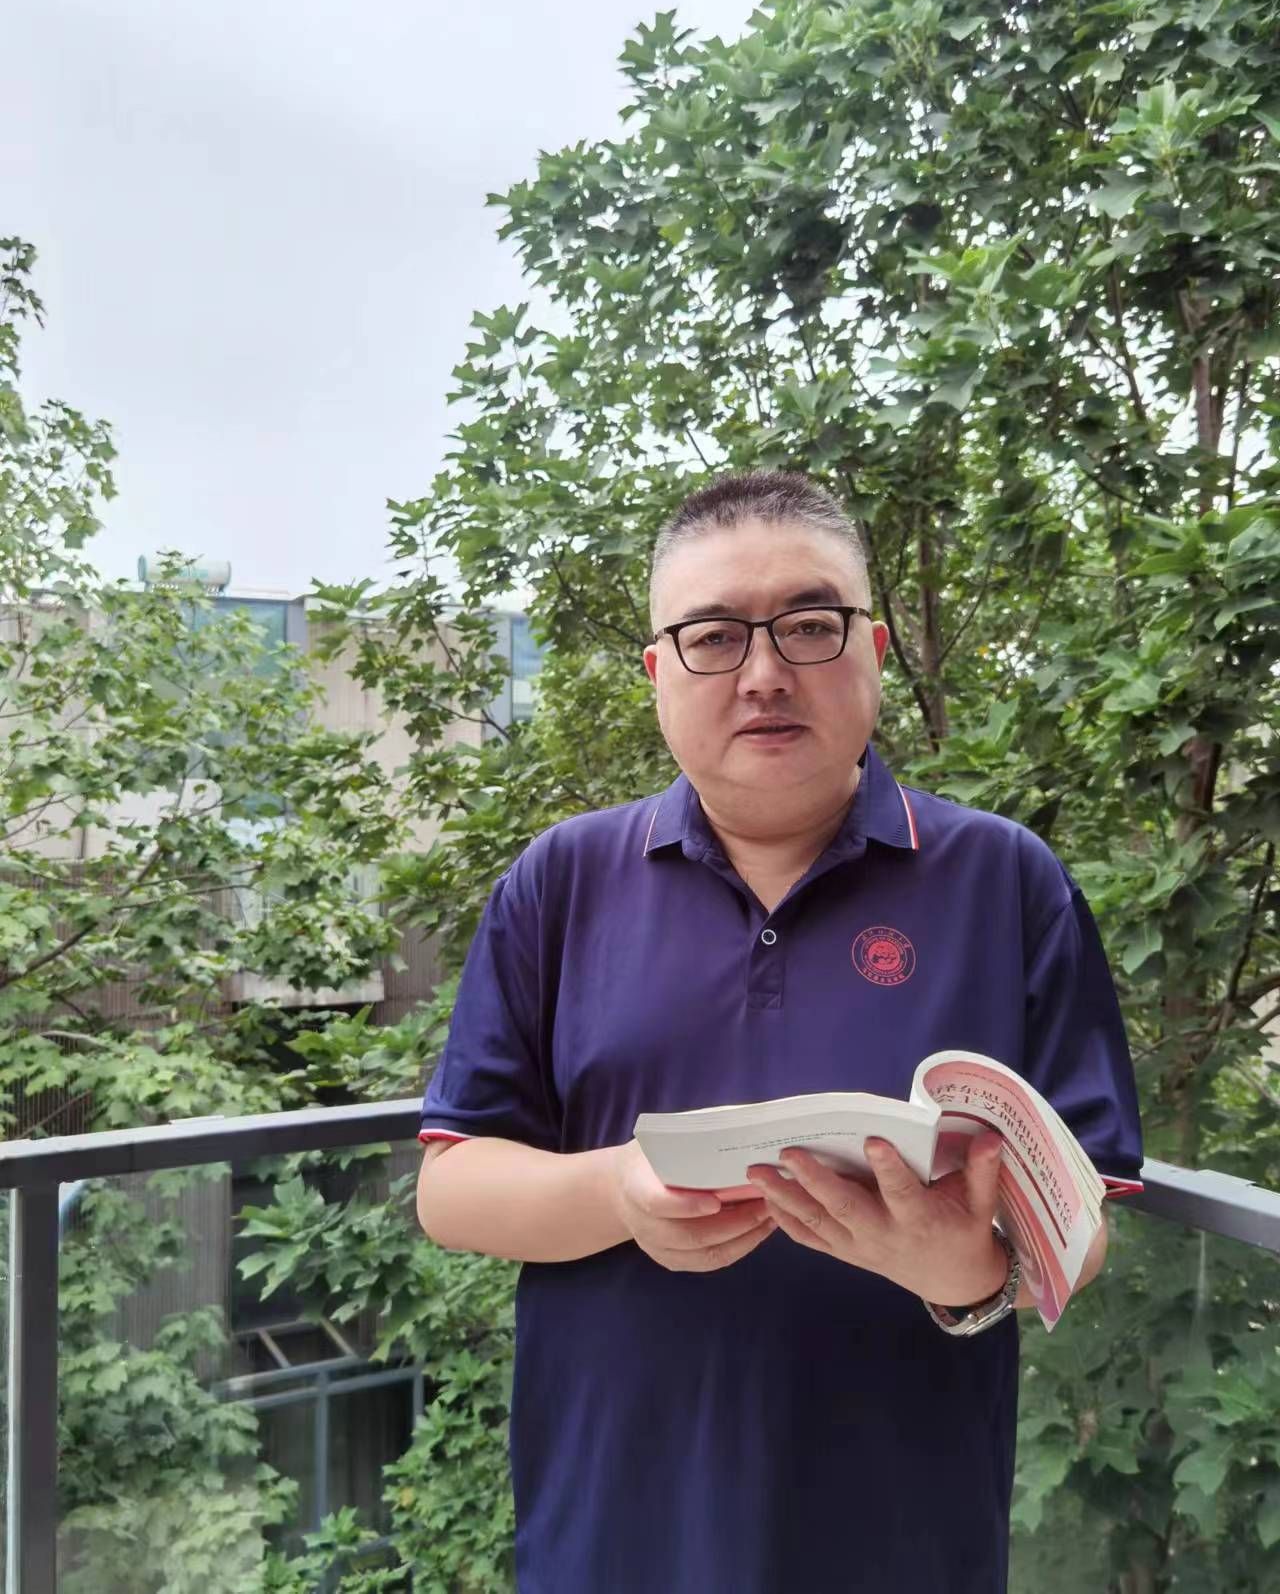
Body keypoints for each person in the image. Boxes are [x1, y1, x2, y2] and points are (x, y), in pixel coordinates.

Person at [416, 471, 1144, 1594]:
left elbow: (1083, 1221)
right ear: (658, 672)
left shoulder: (1006, 881)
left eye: (808, 625)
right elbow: (454, 1187)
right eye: (712, 636)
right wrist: (620, 1192)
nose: (762, 674)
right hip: (613, 1532)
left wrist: (964, 1269)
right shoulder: (560, 880)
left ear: (875, 649)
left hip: (906, 1537)